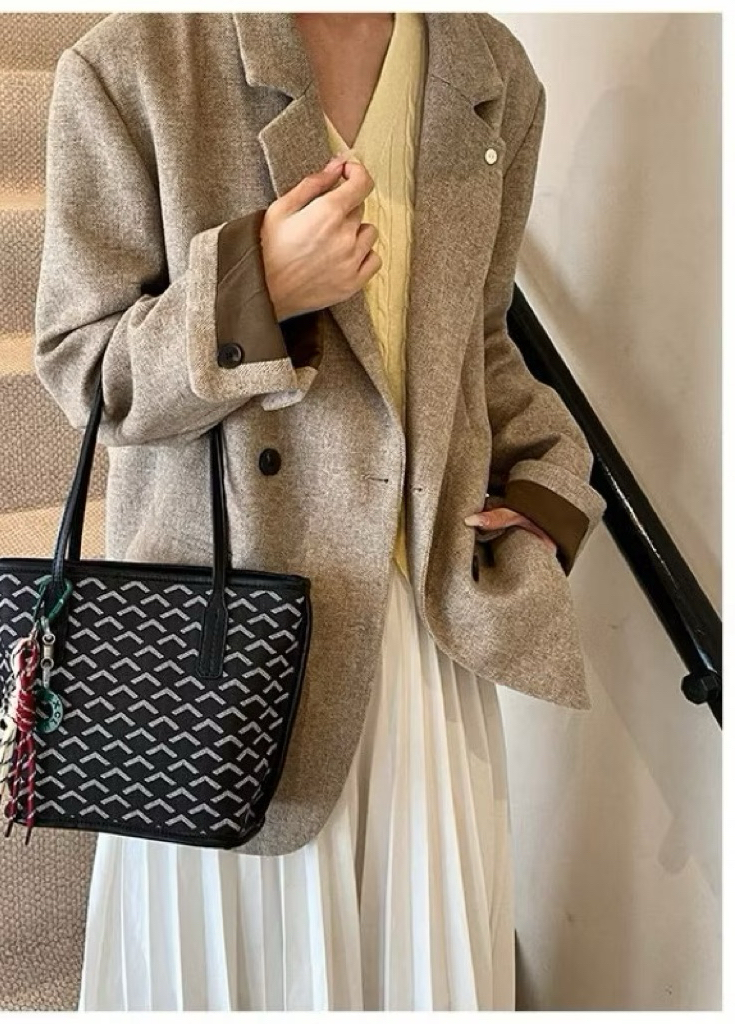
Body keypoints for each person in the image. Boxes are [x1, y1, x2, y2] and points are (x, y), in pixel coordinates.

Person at [35, 9, 602, 1012]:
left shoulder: (489, 70)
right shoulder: (138, 63)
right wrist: (254, 286)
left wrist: (549, 485)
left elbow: (476, 339)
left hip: (420, 638)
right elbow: (86, 370)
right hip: (226, 639)